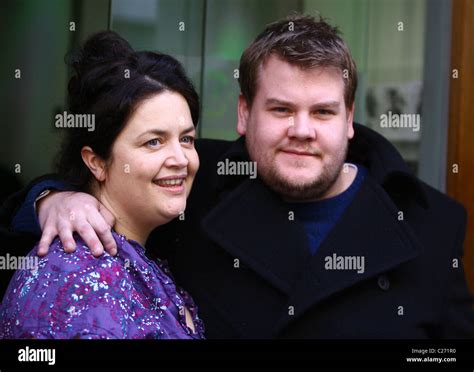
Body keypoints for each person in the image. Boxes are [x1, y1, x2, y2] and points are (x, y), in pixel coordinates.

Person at [2, 14, 474, 339]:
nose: (302, 130)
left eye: (323, 112)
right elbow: (102, 179)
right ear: (245, 114)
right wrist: (56, 197)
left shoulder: (431, 225)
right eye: (281, 108)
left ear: (350, 118)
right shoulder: (192, 184)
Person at [0, 31, 205, 339]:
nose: (180, 158)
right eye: (153, 142)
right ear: (95, 161)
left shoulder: (141, 256)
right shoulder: (74, 278)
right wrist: (47, 197)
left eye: (186, 139)